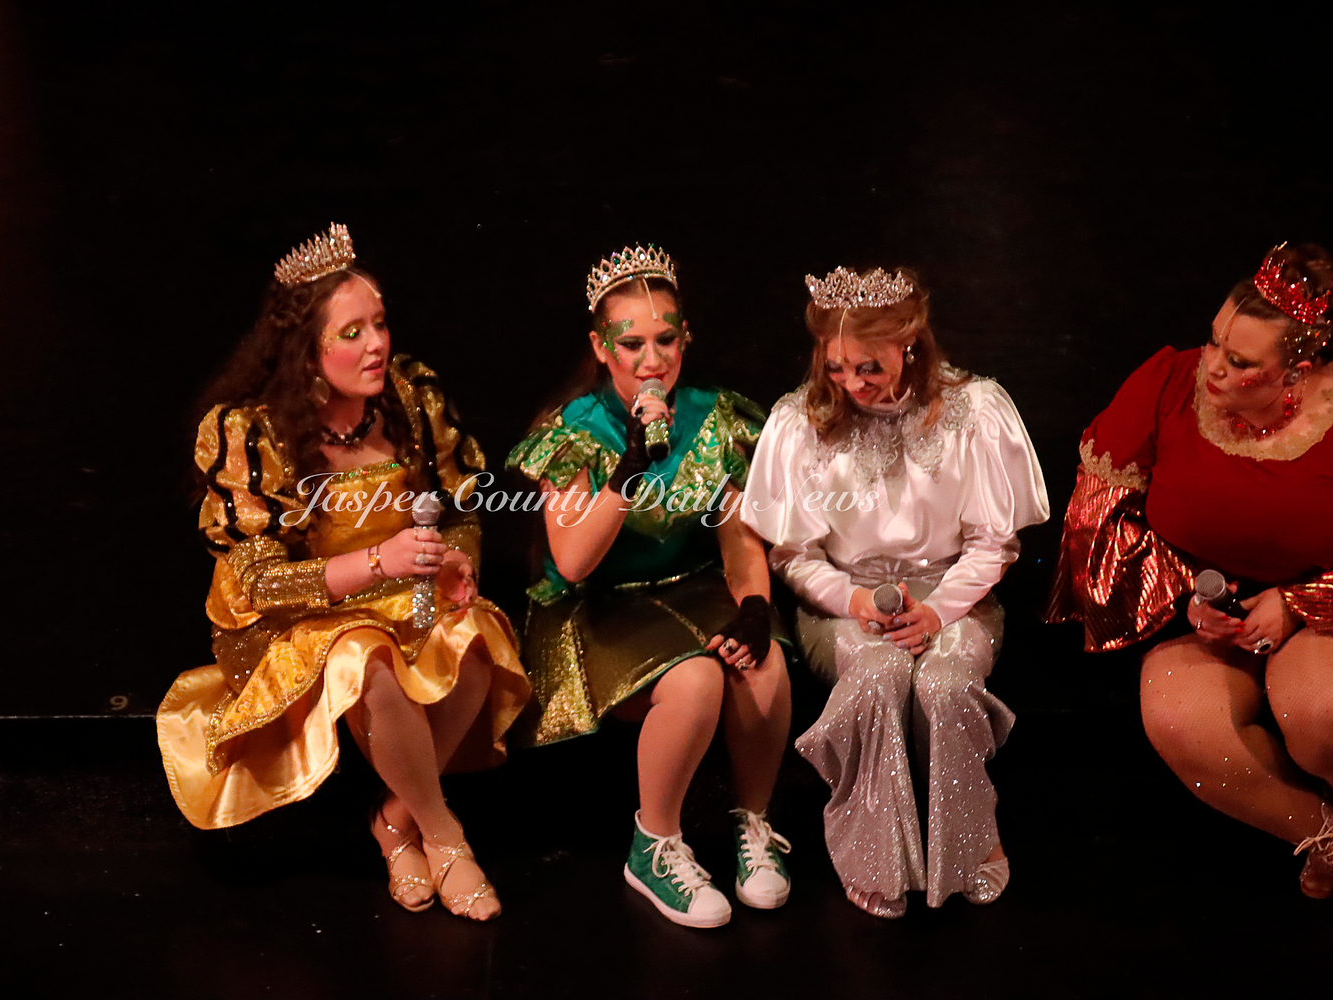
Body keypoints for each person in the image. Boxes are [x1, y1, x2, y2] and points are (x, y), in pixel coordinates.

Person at [156, 222, 530, 921]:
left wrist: (453, 562)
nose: (377, 344)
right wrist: (378, 561)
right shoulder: (253, 433)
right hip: (295, 620)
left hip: (398, 597)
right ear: (306, 351)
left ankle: (396, 822)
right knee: (366, 655)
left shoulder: (409, 399)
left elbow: (459, 511)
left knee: (478, 636)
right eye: (352, 333)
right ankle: (445, 836)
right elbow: (261, 584)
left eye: (379, 324)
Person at [741, 265, 1049, 918]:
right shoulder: (800, 421)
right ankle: (874, 850)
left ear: (909, 343)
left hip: (954, 596)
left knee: (944, 682)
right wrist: (851, 601)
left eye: (868, 367)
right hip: (844, 603)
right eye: (836, 367)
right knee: (880, 673)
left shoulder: (972, 410)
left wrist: (938, 610)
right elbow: (793, 554)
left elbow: (992, 544)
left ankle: (970, 837)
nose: (852, 384)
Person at [505, 245, 793, 928]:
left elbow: (738, 542)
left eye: (666, 339)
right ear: (601, 348)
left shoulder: (716, 417)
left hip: (690, 589)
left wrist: (755, 605)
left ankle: (753, 824)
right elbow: (574, 560)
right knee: (695, 681)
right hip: (599, 607)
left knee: (764, 662)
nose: (652, 360)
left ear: (685, 338)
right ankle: (654, 844)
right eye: (632, 343)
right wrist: (626, 470)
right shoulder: (573, 431)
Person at [1048, 242, 1333, 898]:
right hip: (1202, 610)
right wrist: (1182, 597)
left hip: (1321, 613)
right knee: (1184, 725)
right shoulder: (1170, 384)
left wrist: (1300, 602)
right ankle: (1321, 835)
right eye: (1213, 341)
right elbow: (1094, 526)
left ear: (1298, 370)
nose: (1213, 366)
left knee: (1320, 713)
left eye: (1241, 362)